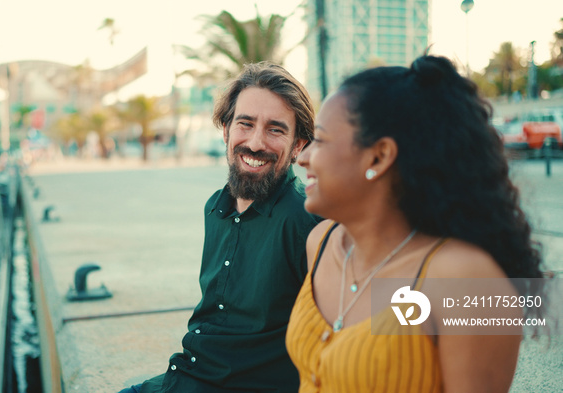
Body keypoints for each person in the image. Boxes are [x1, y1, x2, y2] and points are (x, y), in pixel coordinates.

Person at [287, 55, 544, 392]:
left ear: (378, 157)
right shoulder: (320, 243)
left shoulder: (465, 278)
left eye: (319, 140)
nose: (302, 156)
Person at [121, 62, 321, 392]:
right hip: (190, 373)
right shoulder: (215, 207)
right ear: (226, 131)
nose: (256, 143)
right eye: (245, 124)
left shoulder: (306, 222)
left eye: (275, 129)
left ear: (298, 145)